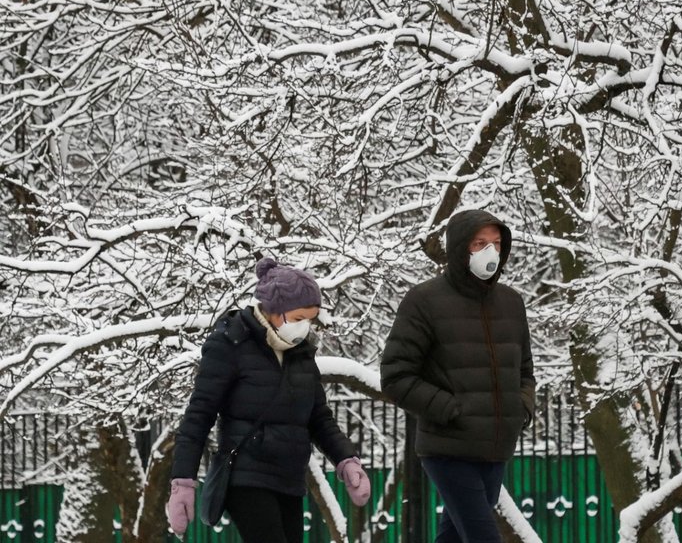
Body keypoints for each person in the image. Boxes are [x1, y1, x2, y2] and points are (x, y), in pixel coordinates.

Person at [166, 257, 370, 543]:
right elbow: (199, 415)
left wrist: (346, 459)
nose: (304, 327)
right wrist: (182, 482)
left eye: (309, 319)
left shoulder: (301, 355)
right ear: (275, 311)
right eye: (299, 318)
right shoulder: (230, 344)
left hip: (289, 477)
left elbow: (318, 418)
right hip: (246, 474)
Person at [381, 209, 536, 543]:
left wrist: (519, 408)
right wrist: (450, 410)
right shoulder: (424, 301)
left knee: (453, 537)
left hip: (496, 447)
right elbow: (395, 375)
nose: (490, 252)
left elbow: (524, 370)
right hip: (448, 448)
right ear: (459, 248)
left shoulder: (511, 303)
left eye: (496, 243)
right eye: (480, 243)